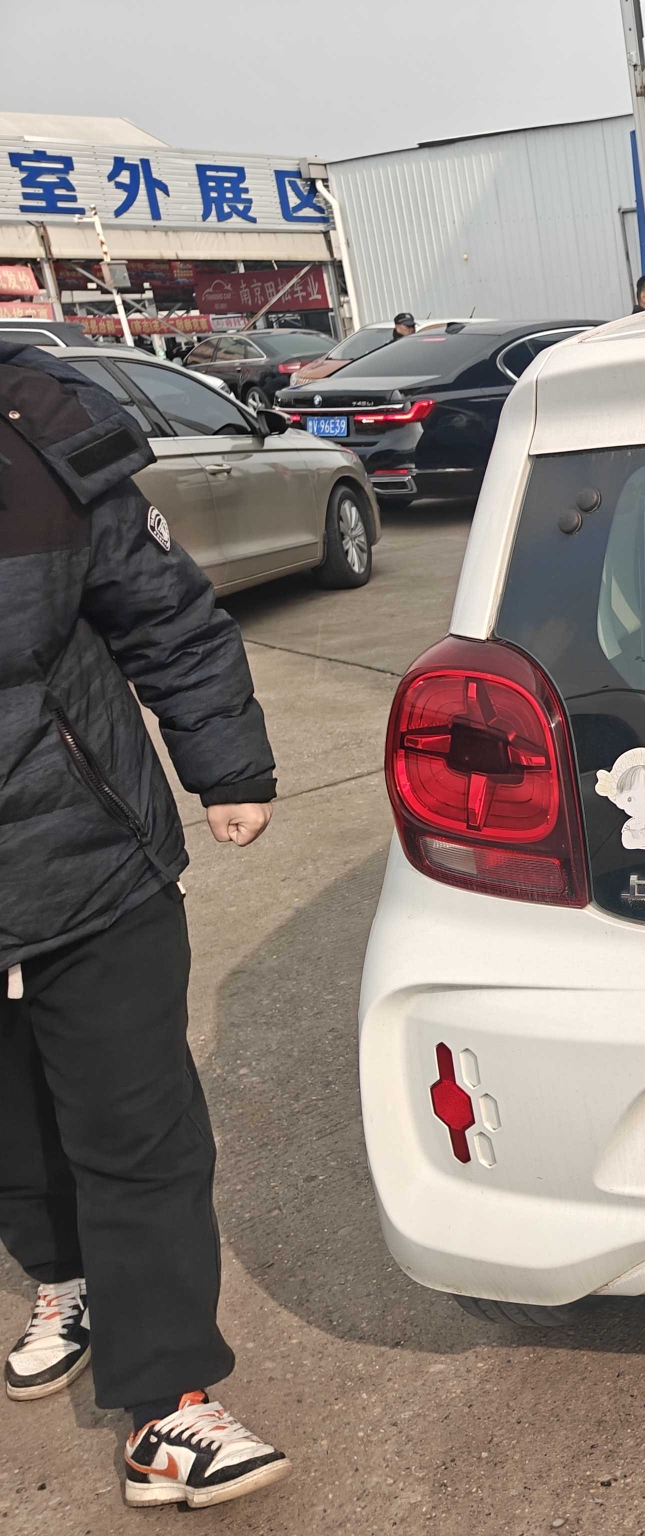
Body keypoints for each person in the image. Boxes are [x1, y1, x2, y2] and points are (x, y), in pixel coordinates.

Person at [0, 339, 291, 1509]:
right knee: (11, 1123)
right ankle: (62, 1280)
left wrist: (227, 765)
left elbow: (164, 613)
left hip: (90, 858)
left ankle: (167, 1405)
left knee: (137, 1131)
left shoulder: (35, 426)